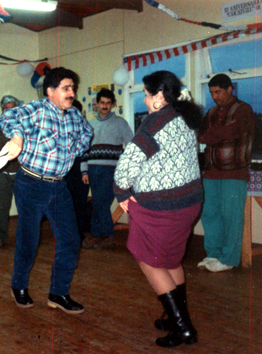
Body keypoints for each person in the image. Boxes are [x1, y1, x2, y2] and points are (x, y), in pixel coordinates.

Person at [114, 70, 203, 347]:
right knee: (171, 260)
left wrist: (121, 192)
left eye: (146, 94)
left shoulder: (154, 123)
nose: (143, 99)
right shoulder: (185, 117)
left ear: (159, 96)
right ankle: (173, 314)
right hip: (189, 202)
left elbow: (125, 167)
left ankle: (182, 327)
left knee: (149, 261)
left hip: (160, 207)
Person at [0, 67, 93, 315]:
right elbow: (6, 118)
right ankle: (18, 286)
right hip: (30, 183)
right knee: (29, 239)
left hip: (58, 186)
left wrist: (73, 152)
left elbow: (87, 133)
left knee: (71, 240)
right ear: (50, 91)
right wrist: (17, 138)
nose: (72, 93)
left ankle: (58, 293)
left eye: (73, 88)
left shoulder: (74, 115)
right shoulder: (37, 109)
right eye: (66, 88)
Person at [197, 73, 255, 272]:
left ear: (230, 89)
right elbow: (200, 132)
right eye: (212, 93)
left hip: (234, 173)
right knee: (209, 214)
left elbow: (231, 132)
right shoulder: (212, 111)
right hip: (211, 172)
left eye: (218, 92)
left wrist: (208, 136)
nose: (215, 97)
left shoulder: (244, 109)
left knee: (232, 217)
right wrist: (206, 135)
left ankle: (229, 260)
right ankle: (213, 255)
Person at [81, 88, 134, 250]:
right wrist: (84, 170)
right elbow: (84, 149)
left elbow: (132, 146)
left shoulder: (120, 123)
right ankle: (98, 235)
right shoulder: (89, 124)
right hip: (92, 169)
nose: (104, 106)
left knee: (101, 204)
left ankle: (106, 235)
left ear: (112, 104)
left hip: (112, 171)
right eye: (102, 103)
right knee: (98, 203)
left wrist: (126, 168)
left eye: (108, 103)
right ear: (97, 104)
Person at [0, 95, 21, 248]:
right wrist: (16, 142)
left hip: (21, 173)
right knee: (1, 207)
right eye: (6, 109)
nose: (10, 112)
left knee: (24, 207)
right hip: (0, 173)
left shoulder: (23, 123)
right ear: (2, 110)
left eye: (13, 109)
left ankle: (24, 237)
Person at [64, 99, 90, 241]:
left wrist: (84, 172)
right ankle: (69, 236)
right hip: (65, 173)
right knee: (67, 206)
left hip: (80, 172)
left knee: (80, 205)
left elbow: (86, 153)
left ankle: (79, 236)